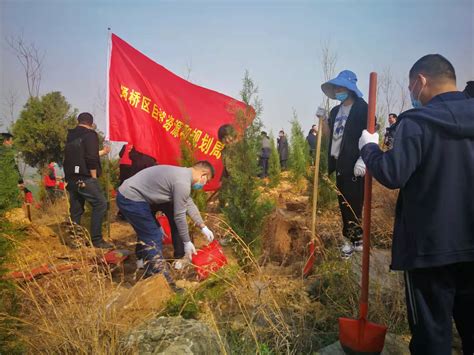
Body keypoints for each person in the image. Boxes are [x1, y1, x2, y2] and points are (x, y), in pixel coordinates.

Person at [358, 54, 474, 354]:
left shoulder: (417, 122)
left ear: (420, 81)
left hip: (430, 248)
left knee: (431, 336)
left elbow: (392, 173)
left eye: (411, 86)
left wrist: (369, 149)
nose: (412, 93)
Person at [116, 161, 216, 284]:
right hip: (131, 198)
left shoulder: (183, 175)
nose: (204, 184)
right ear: (203, 174)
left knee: (152, 233)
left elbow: (188, 203)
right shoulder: (182, 182)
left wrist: (203, 226)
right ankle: (159, 277)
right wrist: (186, 241)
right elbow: (179, 216)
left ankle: (149, 269)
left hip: (134, 195)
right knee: (153, 235)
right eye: (207, 180)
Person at [321, 70, 369, 258]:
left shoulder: (362, 108)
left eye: (341, 87)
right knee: (343, 202)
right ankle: (350, 239)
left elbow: (370, 134)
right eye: (336, 87)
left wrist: (363, 158)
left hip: (354, 163)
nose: (337, 90)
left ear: (350, 88)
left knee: (353, 202)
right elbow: (328, 136)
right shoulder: (335, 111)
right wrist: (324, 120)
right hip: (338, 163)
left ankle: (356, 240)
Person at [63, 112, 112, 249]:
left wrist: (102, 152)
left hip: (72, 178)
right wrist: (94, 177)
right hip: (85, 177)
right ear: (91, 123)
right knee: (101, 204)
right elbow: (90, 158)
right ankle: (97, 240)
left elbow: (81, 155)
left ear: (78, 121)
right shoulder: (90, 135)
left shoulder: (71, 135)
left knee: (76, 210)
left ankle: (75, 241)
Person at [0, 132, 21, 212]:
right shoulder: (7, 152)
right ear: (5, 141)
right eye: (10, 140)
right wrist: (20, 181)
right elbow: (14, 167)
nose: (12, 143)